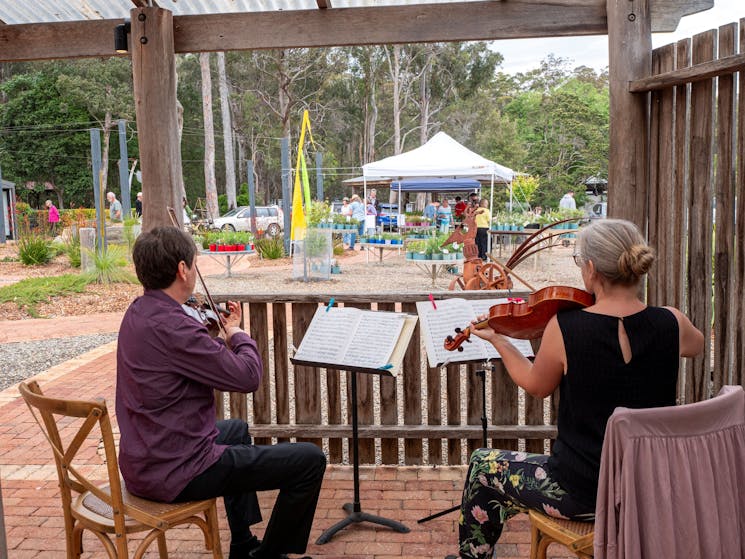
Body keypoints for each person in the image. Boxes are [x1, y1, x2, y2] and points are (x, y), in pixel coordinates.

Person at [445, 219, 704, 559]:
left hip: (582, 492)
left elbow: (537, 386)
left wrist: (500, 341)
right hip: (649, 490)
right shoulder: (671, 321)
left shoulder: (566, 327)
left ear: (592, 269)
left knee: (483, 465)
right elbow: (696, 345)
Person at [116, 227, 326, 559]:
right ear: (183, 270)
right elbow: (248, 376)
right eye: (195, 264)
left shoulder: (138, 312)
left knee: (237, 430)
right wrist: (239, 335)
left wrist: (209, 335)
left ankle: (242, 545)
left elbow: (178, 356)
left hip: (145, 459)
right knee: (309, 461)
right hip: (177, 470)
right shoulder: (177, 327)